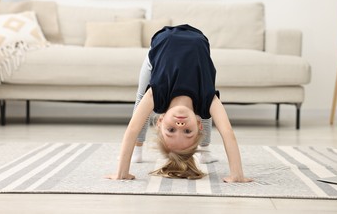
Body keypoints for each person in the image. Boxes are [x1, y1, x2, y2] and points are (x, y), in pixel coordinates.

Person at [106, 25, 251, 182]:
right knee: (206, 109)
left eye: (171, 129)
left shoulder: (157, 94)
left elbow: (133, 128)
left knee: (142, 96)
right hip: (198, 40)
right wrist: (237, 174)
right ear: (198, 124)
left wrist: (122, 172)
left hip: (160, 44)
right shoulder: (207, 100)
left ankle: (140, 148)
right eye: (188, 131)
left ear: (160, 121)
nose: (180, 125)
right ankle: (205, 148)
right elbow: (227, 132)